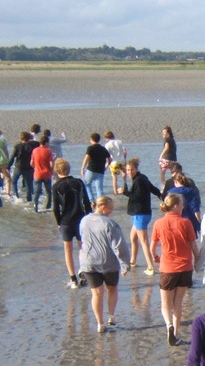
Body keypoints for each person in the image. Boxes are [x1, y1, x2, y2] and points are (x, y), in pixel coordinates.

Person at [150, 193, 199, 345]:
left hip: (168, 268)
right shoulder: (186, 222)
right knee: (178, 302)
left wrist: (155, 257)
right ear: (176, 206)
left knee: (165, 303)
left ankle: (169, 325)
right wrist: (198, 261)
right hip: (185, 267)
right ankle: (176, 334)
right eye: (182, 204)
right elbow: (193, 246)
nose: (183, 207)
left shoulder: (159, 223)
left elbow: (152, 247)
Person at [78, 195, 131, 333]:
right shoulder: (110, 223)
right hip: (108, 262)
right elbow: (120, 246)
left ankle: (100, 323)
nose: (112, 211)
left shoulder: (84, 220)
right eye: (110, 208)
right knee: (112, 288)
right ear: (102, 207)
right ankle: (111, 316)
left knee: (96, 293)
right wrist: (125, 264)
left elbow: (83, 239)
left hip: (88, 262)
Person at [118, 157, 163, 272]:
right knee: (133, 238)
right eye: (128, 170)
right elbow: (153, 189)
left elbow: (136, 197)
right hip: (140, 214)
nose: (130, 172)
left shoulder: (139, 180)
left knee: (144, 241)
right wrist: (161, 196)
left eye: (132, 170)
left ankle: (150, 267)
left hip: (141, 214)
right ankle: (133, 261)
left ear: (136, 169)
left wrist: (124, 192)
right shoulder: (141, 178)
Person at [52, 158, 91, 289]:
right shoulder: (79, 182)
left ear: (57, 171)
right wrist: (89, 216)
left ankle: (73, 278)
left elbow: (55, 208)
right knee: (83, 247)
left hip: (66, 221)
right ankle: (83, 270)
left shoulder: (56, 186)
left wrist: (59, 222)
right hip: (80, 219)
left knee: (68, 250)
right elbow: (86, 201)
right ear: (69, 169)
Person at [80, 131, 111, 201]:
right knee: (99, 189)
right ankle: (101, 202)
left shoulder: (90, 148)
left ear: (91, 139)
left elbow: (86, 159)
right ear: (99, 140)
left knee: (86, 184)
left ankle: (91, 200)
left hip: (91, 169)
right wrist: (106, 166)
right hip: (100, 171)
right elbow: (109, 159)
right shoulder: (103, 149)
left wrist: (82, 168)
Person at [9, 130, 37, 204]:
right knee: (29, 184)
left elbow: (12, 157)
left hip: (19, 167)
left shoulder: (18, 146)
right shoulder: (33, 146)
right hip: (29, 168)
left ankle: (16, 197)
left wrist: (8, 166)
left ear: (21, 138)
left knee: (14, 181)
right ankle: (29, 200)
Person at [31, 132, 55, 212]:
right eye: (48, 143)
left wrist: (36, 167)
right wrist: (52, 171)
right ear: (46, 143)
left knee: (37, 192)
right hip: (47, 174)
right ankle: (48, 207)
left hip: (37, 174)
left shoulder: (35, 150)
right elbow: (51, 164)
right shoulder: (48, 152)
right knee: (48, 192)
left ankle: (35, 207)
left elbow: (31, 163)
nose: (49, 144)